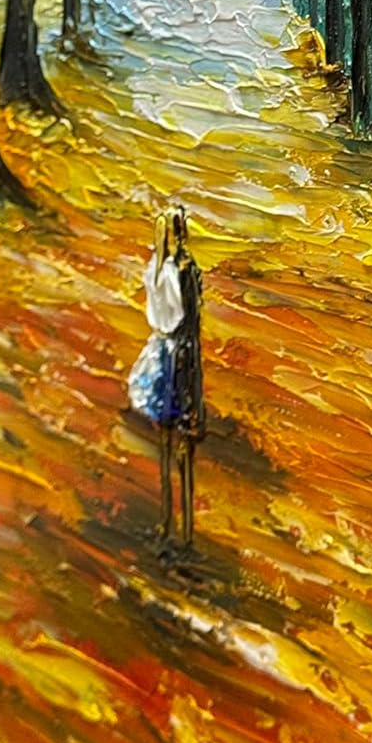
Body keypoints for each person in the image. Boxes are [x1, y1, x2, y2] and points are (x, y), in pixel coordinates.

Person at [128, 213, 184, 542]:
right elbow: (178, 313)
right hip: (168, 348)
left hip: (158, 344)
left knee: (163, 424)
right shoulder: (170, 271)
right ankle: (167, 509)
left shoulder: (153, 268)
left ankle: (165, 509)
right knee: (168, 417)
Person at [171, 205, 205, 550]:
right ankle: (185, 529)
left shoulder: (178, 271)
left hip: (180, 354)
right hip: (187, 355)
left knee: (179, 434)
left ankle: (183, 528)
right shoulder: (190, 270)